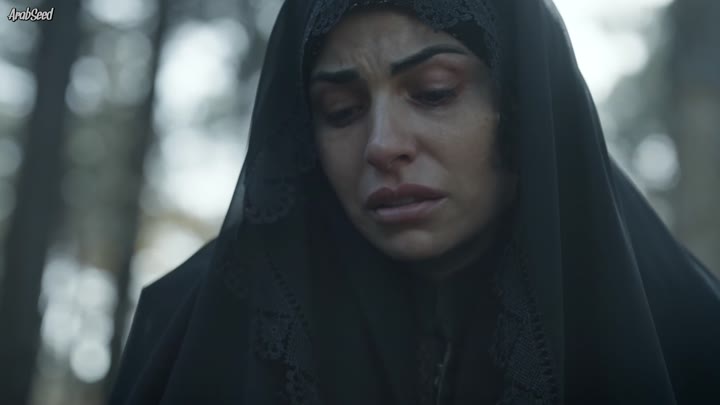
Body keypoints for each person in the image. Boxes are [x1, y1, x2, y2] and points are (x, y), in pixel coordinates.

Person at [110, 0, 720, 404]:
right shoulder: (190, 336)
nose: (382, 145)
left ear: (522, 108)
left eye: (433, 93)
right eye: (341, 111)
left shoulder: (687, 337)